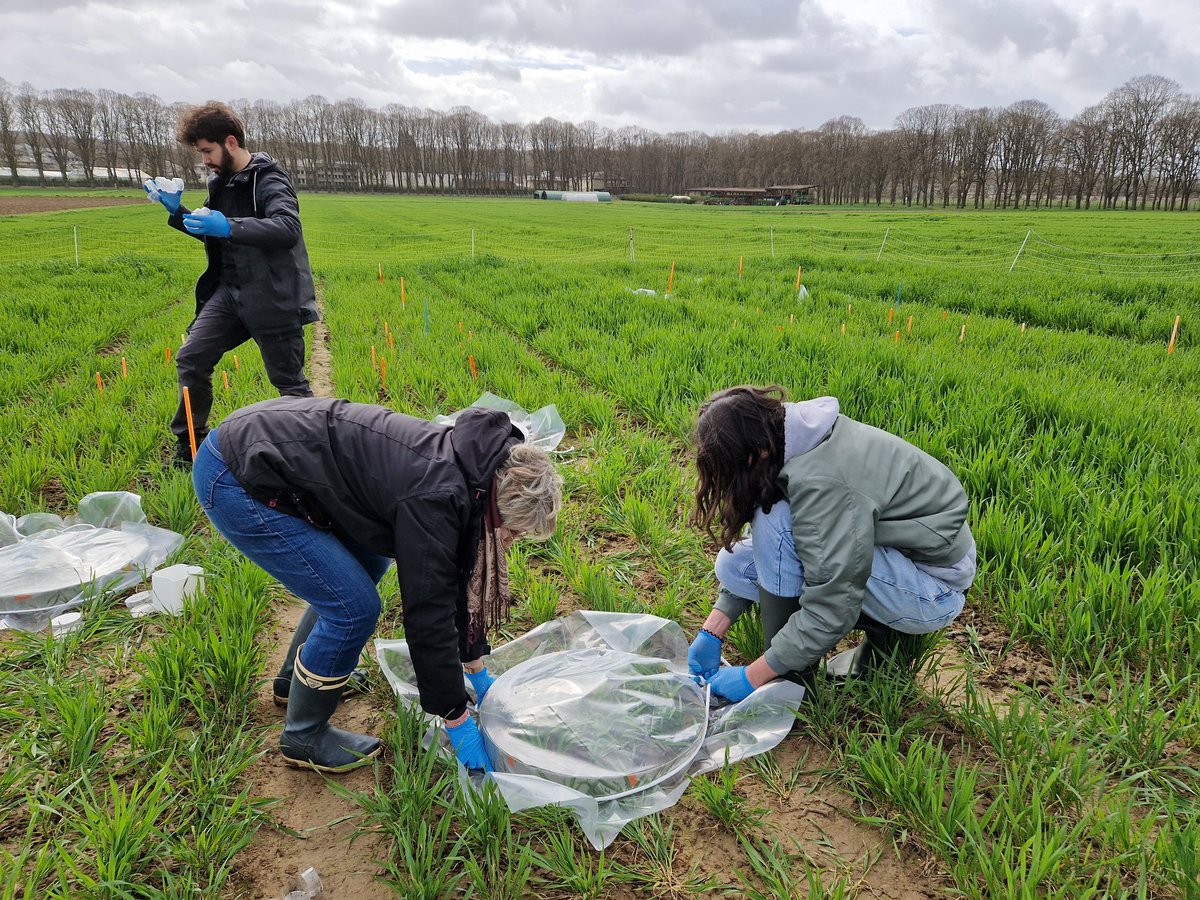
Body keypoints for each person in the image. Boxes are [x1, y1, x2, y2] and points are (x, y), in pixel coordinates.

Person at [192, 396, 563, 773]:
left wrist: (474, 665)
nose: (511, 539)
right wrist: (456, 717)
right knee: (352, 608)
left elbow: (456, 578)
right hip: (236, 475)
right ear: (500, 506)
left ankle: (294, 683)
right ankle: (304, 736)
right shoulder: (437, 496)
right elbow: (428, 610)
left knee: (368, 563)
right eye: (513, 530)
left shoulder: (478, 469)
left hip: (274, 448)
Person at [686, 386, 975, 703]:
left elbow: (833, 604)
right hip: (899, 555)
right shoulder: (789, 434)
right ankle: (793, 664)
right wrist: (712, 631)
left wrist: (751, 677)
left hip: (933, 587)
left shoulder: (824, 484)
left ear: (757, 453)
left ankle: (792, 681)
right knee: (735, 564)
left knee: (777, 522)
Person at [145, 101, 319, 467]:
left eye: (207, 151)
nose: (204, 160)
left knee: (289, 383)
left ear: (230, 142)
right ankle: (191, 446)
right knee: (192, 358)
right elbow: (213, 232)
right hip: (230, 293)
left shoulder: (269, 179)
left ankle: (315, 451)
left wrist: (229, 226)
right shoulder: (219, 181)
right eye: (200, 153)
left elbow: (288, 229)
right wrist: (178, 213)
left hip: (272, 296)